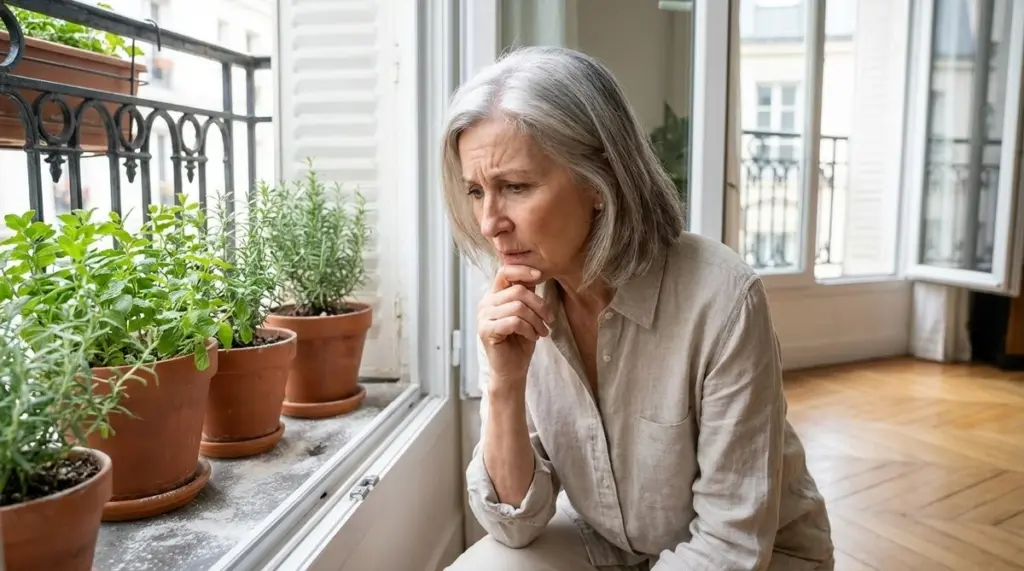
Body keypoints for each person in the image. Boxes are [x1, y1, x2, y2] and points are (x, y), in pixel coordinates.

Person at [440, 46, 834, 571]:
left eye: (515, 186)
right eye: (475, 191)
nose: (490, 222)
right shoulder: (517, 300)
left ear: (599, 179)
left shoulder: (721, 299)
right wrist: (505, 384)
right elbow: (515, 522)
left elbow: (731, 547)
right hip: (612, 546)